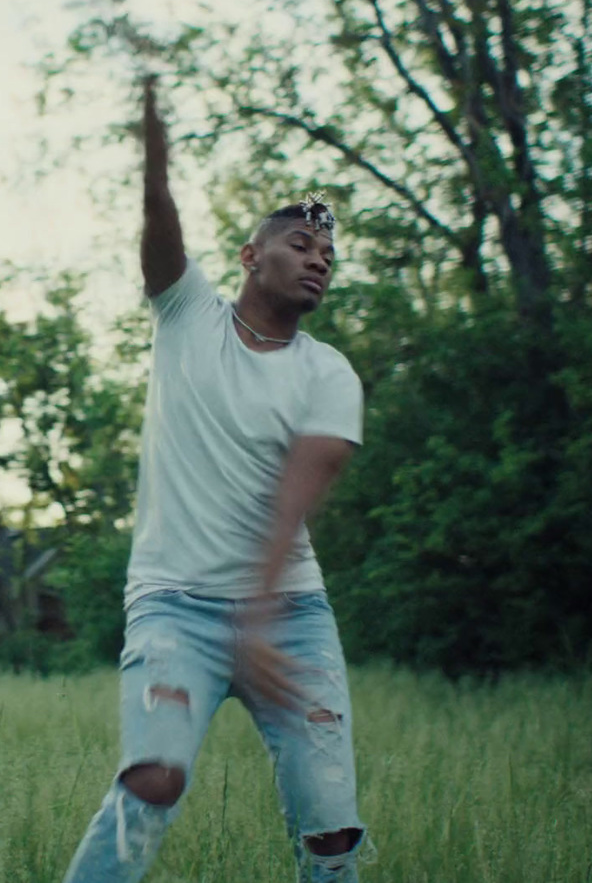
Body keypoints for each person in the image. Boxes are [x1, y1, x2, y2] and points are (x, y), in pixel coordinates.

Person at [61, 76, 368, 883]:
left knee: (332, 826)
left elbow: (291, 500)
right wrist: (154, 137)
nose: (318, 261)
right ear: (250, 255)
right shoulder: (186, 314)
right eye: (302, 245)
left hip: (291, 612)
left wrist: (261, 615)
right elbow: (158, 216)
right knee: (154, 776)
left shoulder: (329, 373)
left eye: (328, 255)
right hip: (174, 604)